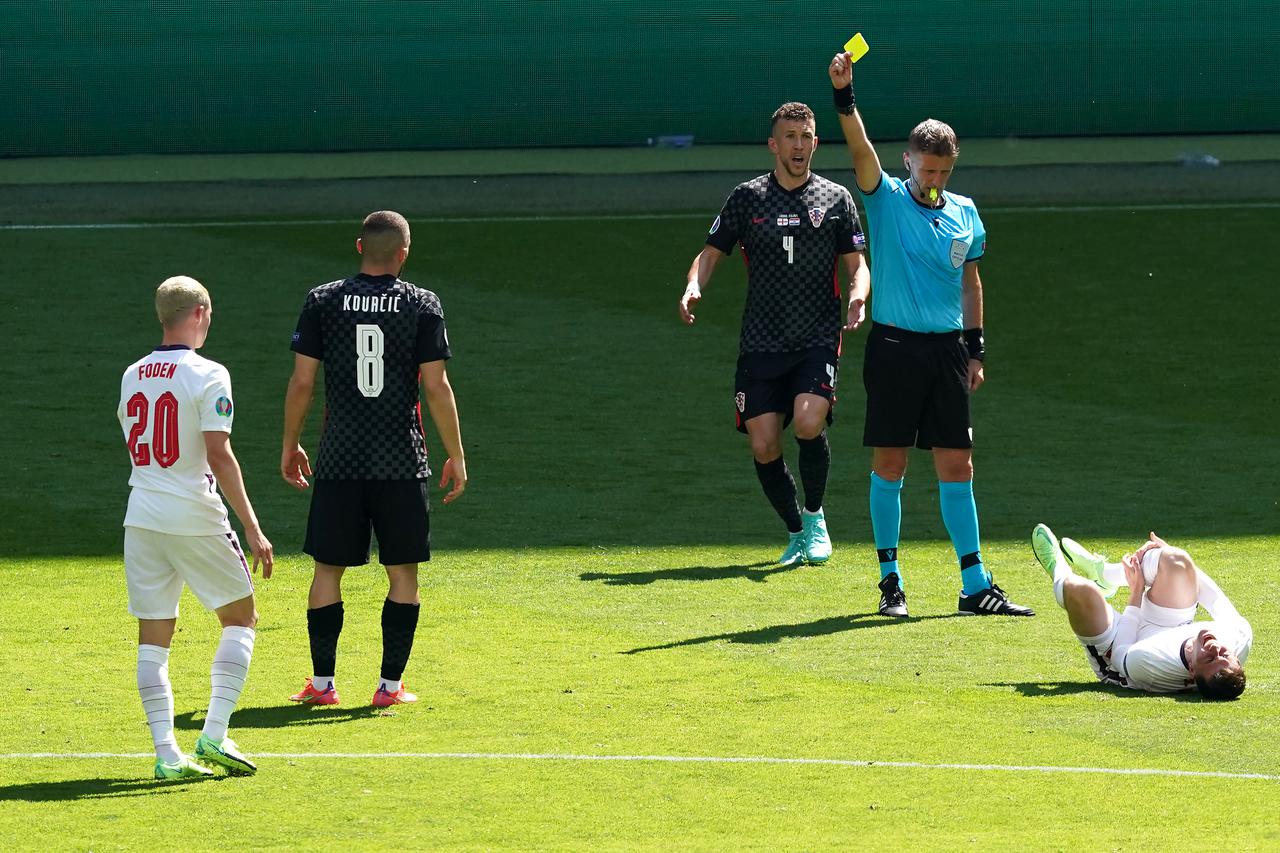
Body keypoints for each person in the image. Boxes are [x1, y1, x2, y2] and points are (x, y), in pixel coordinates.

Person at [827, 51, 1032, 618]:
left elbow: (971, 284)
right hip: (894, 349)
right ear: (908, 160)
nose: (935, 179)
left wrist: (976, 348)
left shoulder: (966, 213)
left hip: (946, 353)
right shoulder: (886, 199)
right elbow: (859, 149)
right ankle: (890, 581)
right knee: (890, 464)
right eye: (926, 168)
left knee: (958, 465)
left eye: (944, 171)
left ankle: (974, 585)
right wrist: (845, 96)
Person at [282, 210, 466, 709]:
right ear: (403, 254)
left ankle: (322, 685)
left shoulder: (323, 300)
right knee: (403, 573)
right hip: (401, 460)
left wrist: (289, 444)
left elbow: (302, 382)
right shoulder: (423, 304)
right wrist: (456, 454)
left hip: (340, 459)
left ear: (359, 246)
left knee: (327, 571)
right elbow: (436, 385)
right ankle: (388, 688)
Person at [679, 102, 870, 566]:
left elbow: (858, 264)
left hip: (816, 336)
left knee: (808, 420)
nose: (799, 145)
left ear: (815, 142)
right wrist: (692, 285)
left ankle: (816, 515)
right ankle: (796, 531)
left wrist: (858, 295)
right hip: (761, 340)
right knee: (764, 444)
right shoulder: (747, 199)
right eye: (790, 137)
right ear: (773, 145)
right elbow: (710, 253)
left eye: (806, 137)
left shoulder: (836, 199)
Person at [117, 276, 273, 780]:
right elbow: (218, 453)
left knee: (153, 637)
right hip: (195, 515)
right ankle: (214, 733)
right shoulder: (209, 373)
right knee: (240, 618)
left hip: (141, 514)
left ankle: (167, 756)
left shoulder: (132, 374)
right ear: (201, 313)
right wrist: (251, 525)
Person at [1031, 524, 1250, 699]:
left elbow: (1120, 653)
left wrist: (1136, 591)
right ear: (1237, 659)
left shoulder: (1151, 664)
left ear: (1192, 671)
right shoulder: (1238, 637)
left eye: (1210, 658)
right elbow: (1214, 598)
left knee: (1081, 590)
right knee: (1177, 560)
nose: (1215, 648)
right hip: (1173, 626)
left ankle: (1058, 568)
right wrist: (1166, 552)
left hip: (1121, 648)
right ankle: (1105, 574)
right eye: (1224, 654)